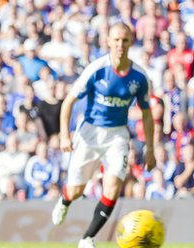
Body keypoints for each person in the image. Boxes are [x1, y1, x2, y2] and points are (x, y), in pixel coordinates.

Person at [51, 23, 156, 248]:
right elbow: (69, 100)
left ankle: (87, 237)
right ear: (108, 41)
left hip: (118, 135)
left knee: (113, 187)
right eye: (116, 40)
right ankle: (65, 199)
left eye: (125, 40)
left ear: (131, 42)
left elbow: (147, 115)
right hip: (90, 133)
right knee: (76, 190)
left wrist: (150, 150)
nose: (120, 45)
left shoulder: (139, 77)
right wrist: (64, 135)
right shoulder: (96, 69)